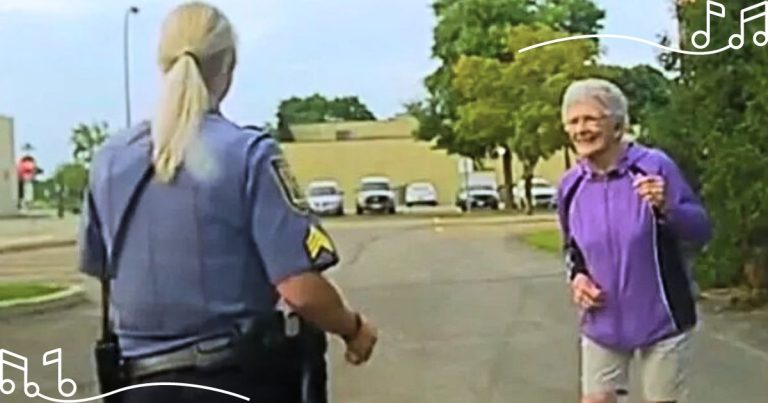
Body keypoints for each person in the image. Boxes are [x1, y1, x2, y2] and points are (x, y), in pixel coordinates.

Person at [77, 3, 377, 402]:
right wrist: (353, 330)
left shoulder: (110, 160)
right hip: (235, 381)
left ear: (162, 65)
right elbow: (300, 288)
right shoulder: (250, 154)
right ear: (228, 68)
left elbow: (101, 269)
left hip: (139, 386)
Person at [556, 79, 712, 403]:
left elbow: (701, 230)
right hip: (603, 322)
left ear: (617, 124)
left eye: (590, 119)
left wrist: (668, 205)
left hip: (663, 318)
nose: (581, 129)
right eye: (573, 121)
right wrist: (578, 278)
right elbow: (573, 249)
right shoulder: (570, 186)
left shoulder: (653, 166)